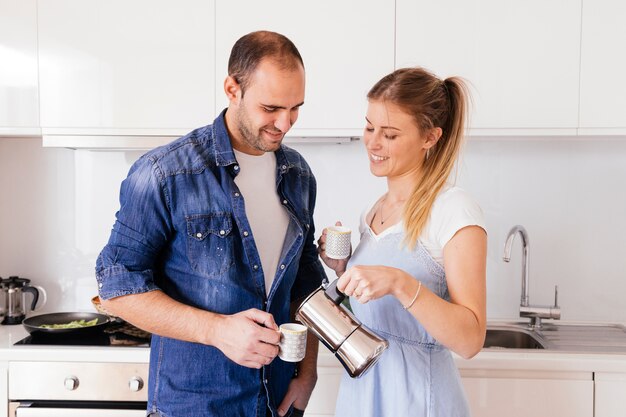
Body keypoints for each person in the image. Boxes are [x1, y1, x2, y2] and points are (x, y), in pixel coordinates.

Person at [96, 31, 326, 417]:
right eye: (270, 108)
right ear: (232, 89)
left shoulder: (298, 174)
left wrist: (308, 373)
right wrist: (217, 330)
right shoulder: (163, 173)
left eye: (296, 108)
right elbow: (116, 290)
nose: (285, 123)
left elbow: (306, 285)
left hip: (278, 403)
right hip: (194, 406)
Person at [318, 67, 487, 416]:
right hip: (362, 393)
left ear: (430, 137)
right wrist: (345, 269)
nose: (373, 142)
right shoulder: (373, 211)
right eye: (369, 127)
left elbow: (471, 339)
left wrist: (400, 282)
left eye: (390, 134)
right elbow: (378, 315)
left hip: (416, 399)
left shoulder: (453, 210)